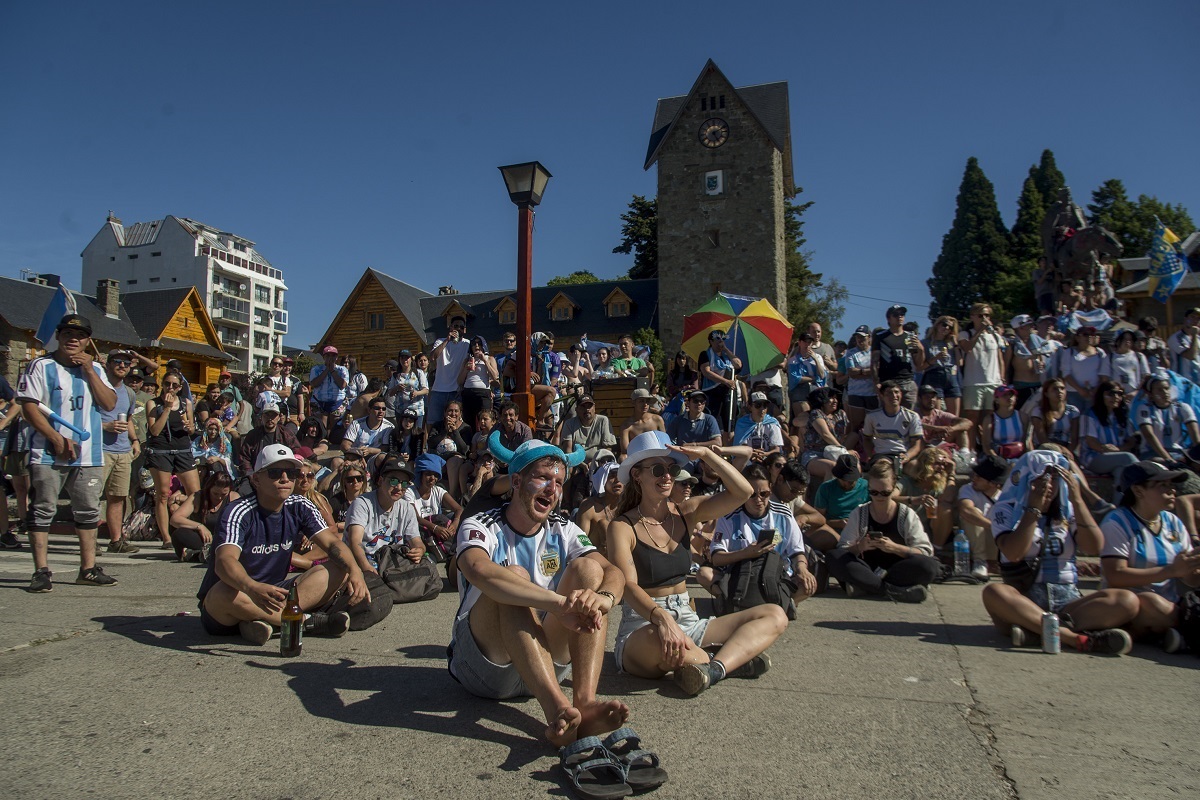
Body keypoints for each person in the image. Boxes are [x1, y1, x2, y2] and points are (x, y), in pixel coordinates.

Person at [450, 435, 639, 761]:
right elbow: (478, 570)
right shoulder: (480, 523)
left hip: (546, 662)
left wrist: (604, 598)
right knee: (514, 577)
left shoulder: (562, 527)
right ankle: (557, 711)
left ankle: (583, 703)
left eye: (558, 481)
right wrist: (559, 604)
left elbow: (614, 573)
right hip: (486, 666)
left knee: (588, 571)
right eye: (542, 477)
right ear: (517, 480)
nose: (552, 488)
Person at [607, 431, 784, 697]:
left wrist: (708, 455)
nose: (667, 476)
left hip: (689, 620)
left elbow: (743, 491)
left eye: (673, 468)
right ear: (637, 475)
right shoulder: (622, 526)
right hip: (644, 626)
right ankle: (729, 659)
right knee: (668, 643)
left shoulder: (687, 513)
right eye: (657, 469)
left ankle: (714, 667)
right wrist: (663, 619)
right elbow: (629, 586)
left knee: (774, 615)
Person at [197, 444, 368, 645]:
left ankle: (266, 622)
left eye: (292, 472)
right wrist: (252, 587)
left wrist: (356, 571)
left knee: (340, 568)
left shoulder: (300, 505)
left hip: (275, 592)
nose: (286, 478)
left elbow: (332, 543)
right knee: (221, 593)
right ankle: (304, 622)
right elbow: (224, 561)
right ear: (256, 479)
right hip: (237, 596)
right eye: (275, 472)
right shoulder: (239, 511)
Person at [981, 450, 1138, 654]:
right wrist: (1033, 510)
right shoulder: (1005, 509)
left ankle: (1036, 633)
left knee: (1127, 601)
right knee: (994, 592)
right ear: (1027, 478)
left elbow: (1094, 548)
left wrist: (1079, 501)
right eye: (1042, 478)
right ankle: (1074, 638)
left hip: (1068, 601)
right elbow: (1013, 553)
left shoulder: (1068, 510)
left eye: (1055, 478)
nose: (1049, 485)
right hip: (1024, 598)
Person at [19, 313, 119, 592]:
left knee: (88, 511)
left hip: (88, 454)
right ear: (59, 337)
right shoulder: (41, 366)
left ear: (88, 341)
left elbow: (109, 403)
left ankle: (87, 569)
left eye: (79, 336)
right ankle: (41, 570)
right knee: (42, 510)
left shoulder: (97, 370)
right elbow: (29, 406)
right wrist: (54, 436)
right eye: (67, 335)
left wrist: (89, 370)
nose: (73, 340)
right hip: (48, 452)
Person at [1099, 461, 1200, 651]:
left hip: (1171, 606)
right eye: (1163, 485)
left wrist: (1192, 567)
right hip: (1133, 604)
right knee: (1150, 601)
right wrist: (1170, 571)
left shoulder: (1173, 522)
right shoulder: (1116, 522)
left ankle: (1179, 636)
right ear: (1138, 491)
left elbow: (1190, 579)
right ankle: (1185, 634)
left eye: (1172, 486)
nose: (1172, 491)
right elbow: (1115, 575)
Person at [829, 459, 939, 602]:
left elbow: (925, 551)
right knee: (833, 556)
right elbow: (843, 548)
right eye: (874, 492)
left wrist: (895, 548)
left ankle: (866, 587)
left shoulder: (906, 514)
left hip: (897, 569)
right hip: (866, 568)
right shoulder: (860, 513)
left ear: (893, 489)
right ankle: (891, 590)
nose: (879, 497)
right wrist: (860, 546)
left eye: (885, 493)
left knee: (929, 566)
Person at [711, 463, 817, 606]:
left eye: (764, 494)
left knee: (808, 584)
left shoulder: (784, 514)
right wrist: (745, 553)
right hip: (739, 575)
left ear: (771, 490)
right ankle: (733, 601)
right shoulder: (728, 517)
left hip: (776, 575)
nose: (758, 499)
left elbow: (796, 551)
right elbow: (716, 558)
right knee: (705, 574)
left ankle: (785, 602)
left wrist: (802, 569)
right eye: (752, 494)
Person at [145, 370, 200, 551]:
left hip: (182, 449)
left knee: (196, 492)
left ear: (180, 387)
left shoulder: (186, 403)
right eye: (167, 384)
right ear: (162, 384)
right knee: (162, 495)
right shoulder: (154, 404)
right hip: (161, 450)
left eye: (175, 385)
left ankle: (190, 527)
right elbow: (154, 430)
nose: (170, 388)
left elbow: (191, 430)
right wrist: (167, 408)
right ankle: (166, 537)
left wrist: (190, 427)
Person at [345, 456, 425, 574]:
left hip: (391, 563)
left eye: (404, 484)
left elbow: (416, 541)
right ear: (380, 481)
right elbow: (355, 542)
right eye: (393, 481)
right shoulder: (362, 503)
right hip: (362, 562)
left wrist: (420, 550)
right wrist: (366, 568)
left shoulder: (407, 508)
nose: (398, 487)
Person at [99, 349, 141, 554]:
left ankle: (116, 541)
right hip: (100, 449)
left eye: (126, 363)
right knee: (91, 498)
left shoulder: (129, 393)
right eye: (117, 362)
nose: (122, 366)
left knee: (117, 497)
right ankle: (88, 542)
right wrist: (105, 426)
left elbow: (129, 420)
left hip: (123, 450)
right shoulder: (96, 388)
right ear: (108, 364)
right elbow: (82, 418)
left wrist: (134, 440)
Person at [958, 303, 1007, 442]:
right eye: (980, 315)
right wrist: (980, 331)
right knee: (972, 418)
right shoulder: (965, 334)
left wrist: (1002, 379)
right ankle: (972, 450)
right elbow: (967, 347)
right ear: (972, 317)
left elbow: (1000, 359)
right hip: (973, 382)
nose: (984, 318)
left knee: (991, 418)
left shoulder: (995, 336)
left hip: (993, 382)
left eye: (987, 315)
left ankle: (989, 447)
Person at [170, 467, 239, 562]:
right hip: (203, 540)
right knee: (179, 534)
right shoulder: (198, 497)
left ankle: (199, 555)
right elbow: (175, 519)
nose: (219, 497)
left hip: (223, 539)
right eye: (215, 493)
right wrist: (200, 526)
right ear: (209, 488)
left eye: (223, 494)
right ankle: (205, 554)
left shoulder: (233, 497)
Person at [955, 454, 1007, 579]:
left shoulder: (1004, 497)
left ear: (994, 484)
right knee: (973, 514)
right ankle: (980, 562)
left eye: (979, 477)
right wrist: (993, 526)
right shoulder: (968, 489)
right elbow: (966, 510)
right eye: (974, 474)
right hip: (975, 538)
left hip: (995, 542)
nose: (974, 478)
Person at [1079, 380, 1138, 485]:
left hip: (1117, 456)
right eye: (1111, 393)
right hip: (1094, 457)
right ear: (1101, 395)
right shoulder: (1089, 414)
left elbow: (1131, 441)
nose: (1116, 397)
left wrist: (1118, 450)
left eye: (1119, 394)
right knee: (1128, 458)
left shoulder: (1122, 415)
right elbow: (1091, 441)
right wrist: (1105, 448)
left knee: (1121, 472)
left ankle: (1119, 501)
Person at [808, 454, 869, 552]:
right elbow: (818, 520)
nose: (847, 483)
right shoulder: (826, 488)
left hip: (862, 531)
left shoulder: (866, 486)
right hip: (835, 532)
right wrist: (838, 523)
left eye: (851, 480)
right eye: (844, 480)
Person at [1135, 372, 1199, 463]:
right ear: (1151, 394)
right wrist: (1168, 459)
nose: (1165, 392)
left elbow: (1196, 438)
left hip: (1179, 453)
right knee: (1159, 461)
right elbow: (1149, 435)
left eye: (1166, 388)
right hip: (1152, 453)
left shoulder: (1182, 408)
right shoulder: (1145, 409)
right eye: (1159, 390)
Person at [862, 380, 924, 471]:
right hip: (881, 455)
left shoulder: (912, 416)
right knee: (884, 469)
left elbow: (917, 445)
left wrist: (907, 456)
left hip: (902, 454)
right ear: (882, 396)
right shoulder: (872, 416)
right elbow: (867, 439)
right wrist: (872, 455)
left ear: (901, 394)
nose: (894, 396)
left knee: (917, 469)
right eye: (889, 393)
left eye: (896, 392)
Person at [871, 305, 924, 409]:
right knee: (888, 416)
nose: (900, 317)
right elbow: (874, 362)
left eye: (902, 314)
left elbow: (918, 364)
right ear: (889, 318)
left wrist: (920, 349)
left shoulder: (910, 336)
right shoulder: (881, 336)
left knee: (909, 416)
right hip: (888, 382)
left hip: (908, 382)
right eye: (896, 315)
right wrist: (876, 382)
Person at [236, 401, 299, 481]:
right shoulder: (253, 435)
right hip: (258, 475)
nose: (270, 418)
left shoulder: (286, 434)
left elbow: (297, 453)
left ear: (279, 417)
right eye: (267, 415)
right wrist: (251, 475)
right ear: (261, 416)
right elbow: (244, 458)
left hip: (282, 475)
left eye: (273, 415)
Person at [428, 316, 471, 428]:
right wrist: (447, 340)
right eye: (455, 326)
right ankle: (429, 445)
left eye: (461, 327)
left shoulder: (467, 344)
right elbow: (433, 357)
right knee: (432, 422)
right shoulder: (441, 341)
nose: (458, 329)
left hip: (456, 391)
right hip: (439, 389)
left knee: (455, 423)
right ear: (450, 327)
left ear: (465, 330)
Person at [576, 462, 623, 558]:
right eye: (612, 476)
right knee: (604, 525)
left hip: (623, 555)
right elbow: (580, 541)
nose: (617, 480)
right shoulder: (589, 506)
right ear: (602, 480)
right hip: (595, 557)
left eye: (620, 476)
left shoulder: (629, 505)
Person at [698, 330, 742, 433]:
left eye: (722, 340)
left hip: (728, 393)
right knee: (714, 422)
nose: (720, 343)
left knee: (729, 424)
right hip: (712, 393)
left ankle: (727, 445)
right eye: (717, 340)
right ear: (711, 341)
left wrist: (726, 350)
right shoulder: (705, 354)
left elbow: (738, 365)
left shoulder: (727, 356)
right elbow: (706, 372)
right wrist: (725, 381)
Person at [1056, 327, 1106, 410]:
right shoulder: (1069, 352)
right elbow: (1066, 374)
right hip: (1073, 393)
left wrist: (1095, 390)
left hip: (1094, 393)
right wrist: (1080, 390)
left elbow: (1103, 374)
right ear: (1077, 338)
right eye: (1085, 335)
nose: (1089, 337)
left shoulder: (1100, 353)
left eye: (1092, 335)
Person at [922, 316, 963, 415]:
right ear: (937, 325)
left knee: (954, 416)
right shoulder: (925, 343)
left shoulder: (950, 344)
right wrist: (936, 358)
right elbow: (921, 366)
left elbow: (960, 362)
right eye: (944, 325)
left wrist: (955, 344)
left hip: (951, 375)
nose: (947, 328)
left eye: (950, 327)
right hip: (934, 375)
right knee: (937, 415)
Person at [840, 326, 877, 432]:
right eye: (857, 337)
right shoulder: (850, 353)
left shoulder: (874, 352)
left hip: (872, 393)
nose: (860, 340)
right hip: (855, 393)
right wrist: (868, 371)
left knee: (872, 425)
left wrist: (860, 371)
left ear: (869, 337)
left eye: (862, 337)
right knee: (857, 425)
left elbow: (877, 370)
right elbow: (851, 372)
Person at [731, 390, 784, 462]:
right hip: (747, 460)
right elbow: (740, 447)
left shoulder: (772, 423)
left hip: (767, 460)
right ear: (750, 407)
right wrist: (752, 453)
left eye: (765, 405)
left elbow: (776, 449)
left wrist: (764, 454)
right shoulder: (742, 423)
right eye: (758, 405)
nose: (762, 409)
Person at [458, 336, 498, 429]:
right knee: (468, 421)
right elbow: (459, 381)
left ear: (483, 346)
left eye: (479, 344)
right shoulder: (467, 360)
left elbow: (495, 376)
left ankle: (485, 441)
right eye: (474, 344)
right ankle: (470, 442)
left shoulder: (490, 358)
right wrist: (465, 369)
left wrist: (485, 361)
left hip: (483, 392)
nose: (476, 346)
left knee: (485, 419)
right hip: (468, 391)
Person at [979, 385, 1028, 460]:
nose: (1009, 398)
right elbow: (986, 445)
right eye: (1004, 395)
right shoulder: (989, 419)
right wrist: (997, 459)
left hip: (1019, 457)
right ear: (996, 400)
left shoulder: (1023, 417)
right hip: (997, 457)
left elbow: (1026, 441)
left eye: (1011, 395)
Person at [916, 384, 971, 450]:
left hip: (939, 445)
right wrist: (936, 428)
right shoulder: (914, 414)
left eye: (933, 397)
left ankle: (964, 455)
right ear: (919, 399)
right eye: (927, 397)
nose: (931, 399)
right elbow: (914, 424)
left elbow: (968, 422)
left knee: (961, 430)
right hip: (921, 447)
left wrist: (950, 429)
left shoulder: (939, 414)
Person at [1030, 377, 1079, 449]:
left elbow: (1074, 439)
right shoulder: (1038, 412)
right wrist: (1059, 451)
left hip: (1066, 448)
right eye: (1055, 389)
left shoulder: (1073, 411)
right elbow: (1042, 440)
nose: (1060, 391)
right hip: (1045, 448)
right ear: (1046, 394)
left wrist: (1068, 452)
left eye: (1062, 388)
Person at [339, 396, 394, 460]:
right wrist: (357, 452)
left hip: (374, 458)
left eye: (383, 409)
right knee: (336, 461)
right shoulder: (356, 423)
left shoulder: (389, 427)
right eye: (377, 408)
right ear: (369, 410)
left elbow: (385, 448)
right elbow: (344, 445)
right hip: (355, 456)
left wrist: (370, 450)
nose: (381, 411)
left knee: (382, 457)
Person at [1101, 330, 1150, 401]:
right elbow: (1105, 378)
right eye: (1125, 339)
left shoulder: (1139, 356)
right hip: (1116, 397)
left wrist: (1136, 392)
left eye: (1130, 339)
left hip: (1135, 396)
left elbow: (1146, 376)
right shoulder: (1109, 358)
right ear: (1117, 341)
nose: (1128, 341)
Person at [309, 345, 350, 430]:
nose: (330, 358)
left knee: (335, 427)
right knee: (321, 426)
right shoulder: (316, 369)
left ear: (336, 357)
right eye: (328, 355)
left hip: (337, 401)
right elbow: (314, 383)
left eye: (333, 355)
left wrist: (332, 371)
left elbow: (342, 385)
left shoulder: (342, 369)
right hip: (319, 401)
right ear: (323, 357)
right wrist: (326, 370)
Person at [386, 350, 428, 428]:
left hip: (416, 409)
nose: (405, 360)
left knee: (417, 434)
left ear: (411, 360)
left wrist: (416, 393)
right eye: (402, 358)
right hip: (401, 410)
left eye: (407, 358)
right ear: (399, 360)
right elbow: (390, 393)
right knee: (402, 434)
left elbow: (426, 390)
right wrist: (397, 388)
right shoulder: (396, 375)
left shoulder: (418, 372)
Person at [620, 388, 666, 456]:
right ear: (633, 403)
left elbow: (665, 442)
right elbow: (625, 450)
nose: (645, 404)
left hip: (657, 455)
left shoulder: (657, 419)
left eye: (647, 401)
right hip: (637, 458)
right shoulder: (627, 425)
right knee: (623, 457)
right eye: (641, 401)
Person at [1166, 307, 1200, 384]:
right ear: (1185, 319)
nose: (1195, 320)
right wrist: (1194, 335)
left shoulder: (1198, 339)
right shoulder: (1175, 338)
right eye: (1192, 317)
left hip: (1197, 382)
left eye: (1198, 319)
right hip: (1182, 382)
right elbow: (1190, 356)